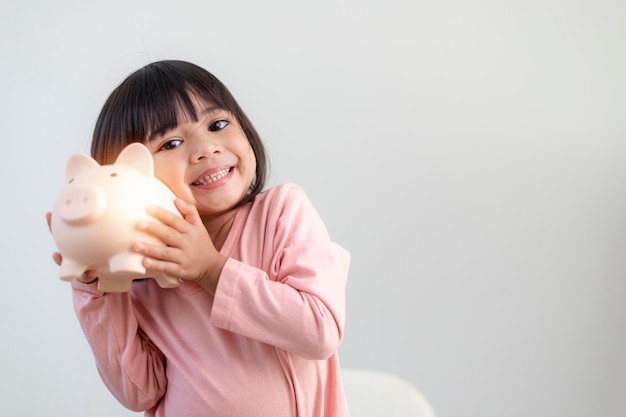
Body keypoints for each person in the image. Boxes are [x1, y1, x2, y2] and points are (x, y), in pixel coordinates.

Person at [46, 60, 351, 417]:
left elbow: (319, 331)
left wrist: (211, 269)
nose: (206, 149)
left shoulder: (282, 212)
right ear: (128, 174)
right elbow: (139, 392)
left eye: (218, 124)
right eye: (171, 143)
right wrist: (100, 289)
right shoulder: (145, 266)